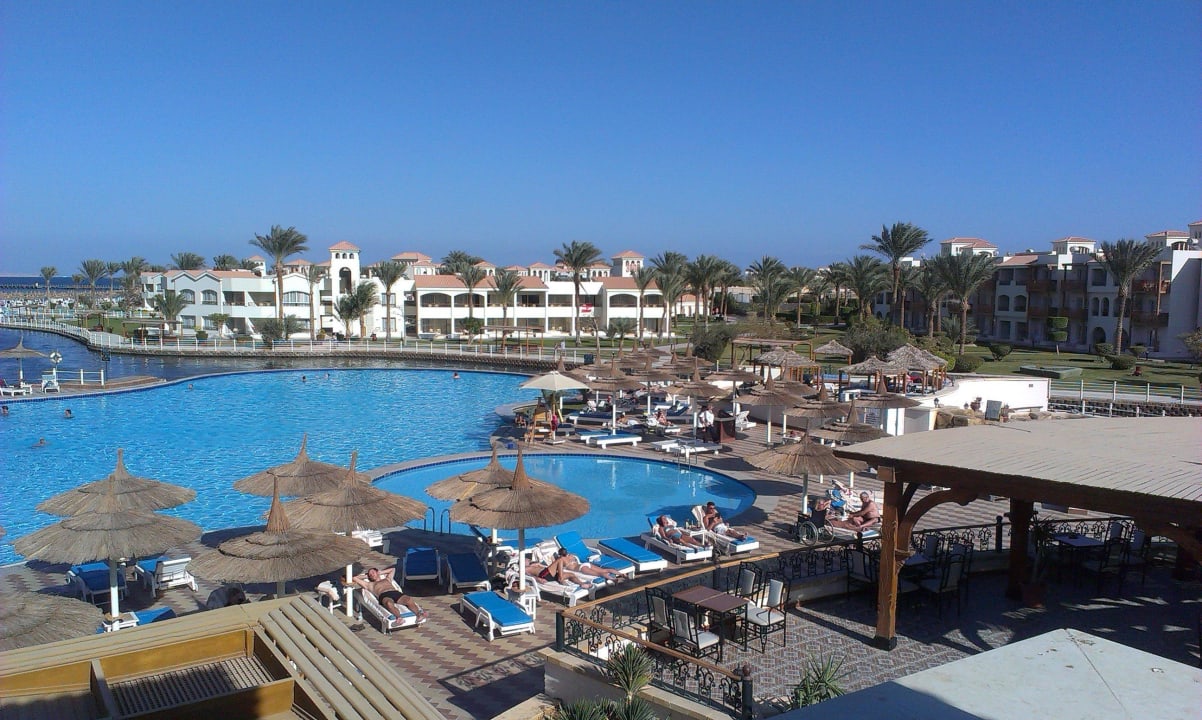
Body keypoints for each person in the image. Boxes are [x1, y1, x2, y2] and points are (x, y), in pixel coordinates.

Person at [354, 567, 427, 622]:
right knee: (389, 604)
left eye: (373, 572)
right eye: (370, 574)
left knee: (408, 599)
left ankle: (419, 615)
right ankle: (399, 617)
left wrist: (381, 572)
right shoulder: (369, 584)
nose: (371, 574)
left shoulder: (387, 579)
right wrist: (366, 576)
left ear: (377, 572)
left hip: (395, 592)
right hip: (384, 595)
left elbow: (393, 569)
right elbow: (354, 578)